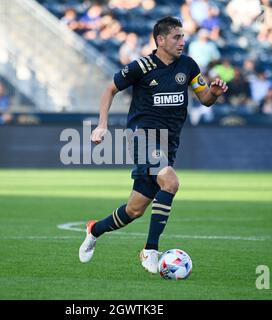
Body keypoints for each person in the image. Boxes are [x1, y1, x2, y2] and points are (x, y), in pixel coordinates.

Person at [79, 16, 228, 273]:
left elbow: (204, 98)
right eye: (176, 37)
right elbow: (109, 90)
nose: (182, 41)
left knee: (134, 210)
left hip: (169, 142)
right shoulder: (142, 66)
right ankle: (150, 249)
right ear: (160, 40)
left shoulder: (189, 66)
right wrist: (102, 125)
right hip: (143, 136)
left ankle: (95, 229)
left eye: (182, 36)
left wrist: (213, 92)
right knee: (170, 182)